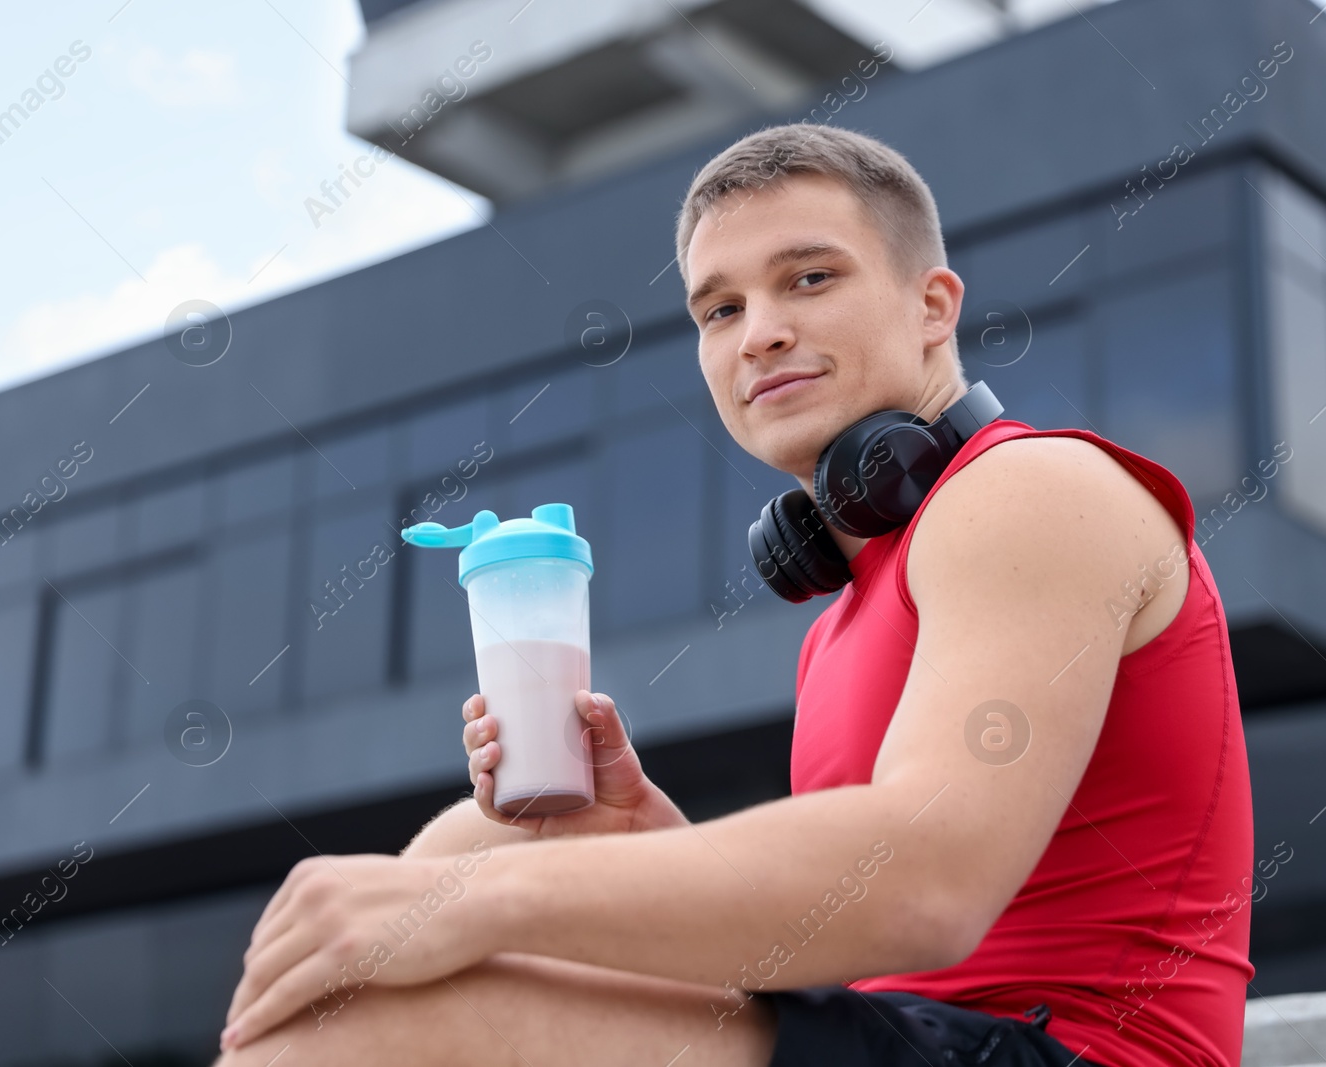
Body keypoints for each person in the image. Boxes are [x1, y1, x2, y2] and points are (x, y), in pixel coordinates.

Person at [215, 122, 1254, 1067]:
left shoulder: (1031, 491)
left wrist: (472, 905)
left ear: (932, 306)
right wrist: (632, 839)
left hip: (1076, 1055)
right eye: (720, 306)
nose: (756, 331)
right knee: (490, 830)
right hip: (920, 1040)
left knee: (401, 990)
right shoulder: (844, 609)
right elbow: (845, 964)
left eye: (806, 278)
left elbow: (927, 884)